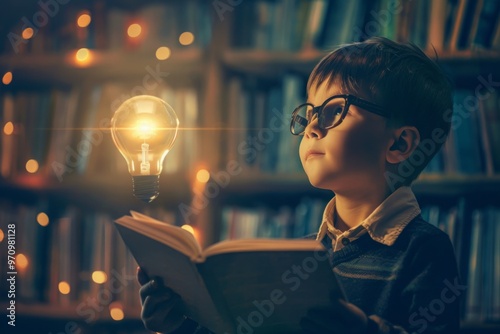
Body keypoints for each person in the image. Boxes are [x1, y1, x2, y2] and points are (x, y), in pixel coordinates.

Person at [137, 37, 461, 333]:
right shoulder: (303, 254)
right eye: (310, 113)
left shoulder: (424, 249)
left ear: (399, 144)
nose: (312, 128)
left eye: (336, 110)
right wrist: (180, 324)